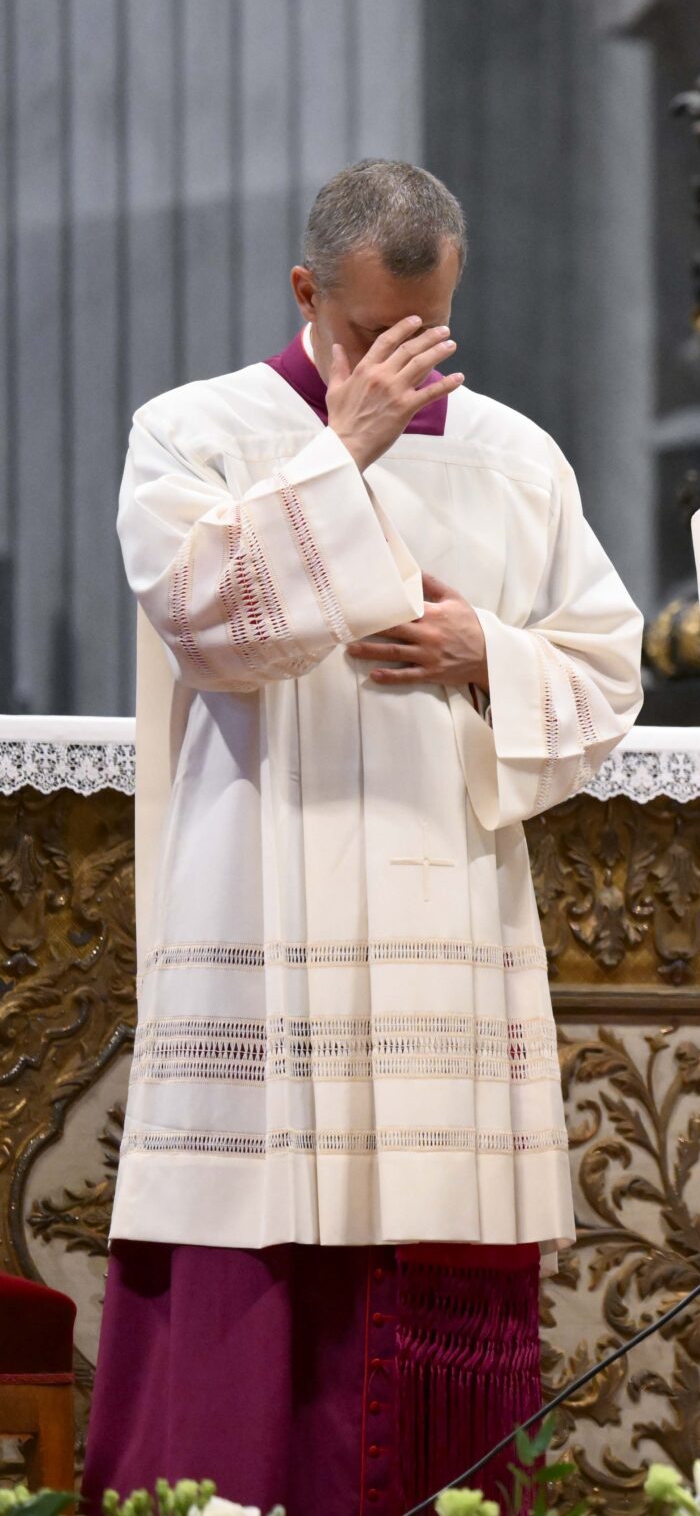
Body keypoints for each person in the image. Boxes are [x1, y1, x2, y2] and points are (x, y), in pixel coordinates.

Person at [96, 159, 644, 1512]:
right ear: (305, 293)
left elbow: (605, 681)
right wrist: (337, 452)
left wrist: (486, 652)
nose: (405, 366)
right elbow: (205, 618)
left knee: (432, 1266)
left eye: (431, 326)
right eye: (368, 331)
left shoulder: (515, 456)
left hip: (438, 927)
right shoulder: (196, 432)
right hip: (261, 910)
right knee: (257, 1265)